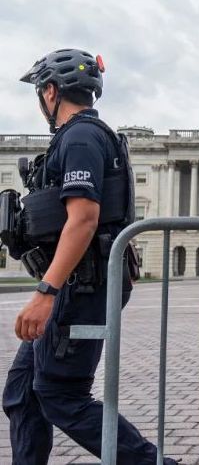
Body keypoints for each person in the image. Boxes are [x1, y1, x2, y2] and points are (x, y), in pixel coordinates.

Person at [2, 49, 178, 464]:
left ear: (50, 92)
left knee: (61, 396)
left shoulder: (81, 138)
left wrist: (46, 291)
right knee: (23, 392)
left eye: (40, 91)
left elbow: (83, 218)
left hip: (81, 285)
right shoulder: (78, 138)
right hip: (77, 281)